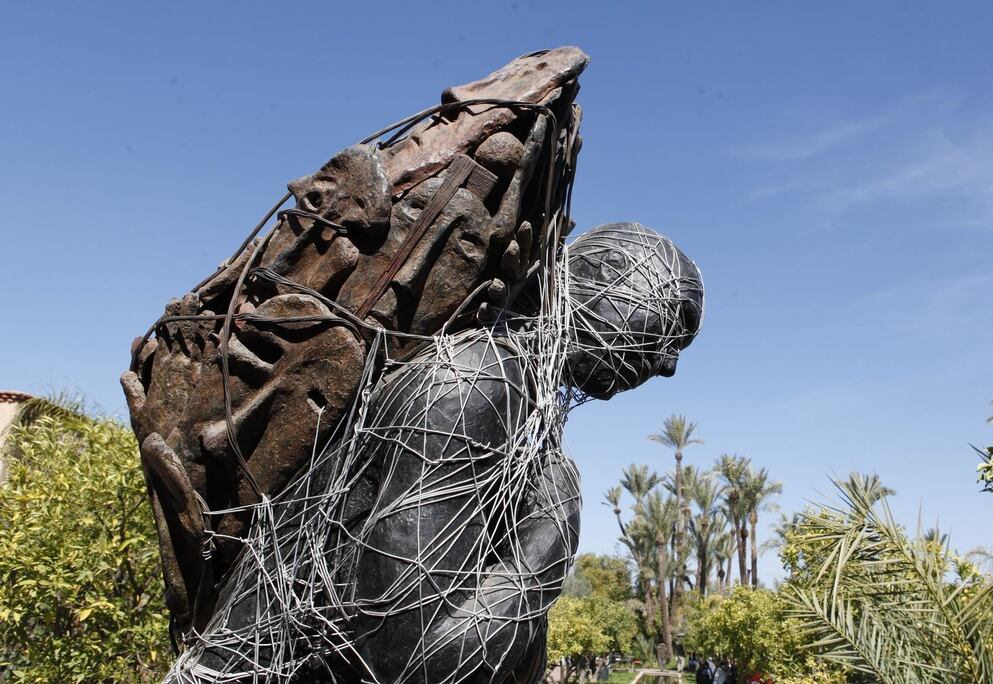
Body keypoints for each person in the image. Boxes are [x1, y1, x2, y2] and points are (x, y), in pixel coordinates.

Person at [162, 224, 704, 683]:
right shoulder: (477, 385)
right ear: (604, 281)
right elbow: (400, 655)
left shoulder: (519, 401)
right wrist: (548, 544)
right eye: (671, 327)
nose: (670, 365)